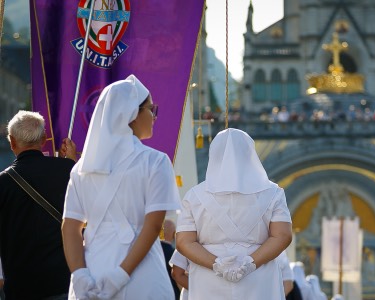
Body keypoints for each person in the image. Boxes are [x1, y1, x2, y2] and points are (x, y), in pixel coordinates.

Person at [62, 75, 181, 299]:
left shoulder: (80, 169)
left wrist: (79, 276)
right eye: (151, 109)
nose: (154, 115)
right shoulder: (155, 161)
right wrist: (120, 275)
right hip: (143, 274)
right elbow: (153, 226)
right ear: (132, 115)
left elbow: (70, 228)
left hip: (92, 272)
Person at [176, 128, 293, 300]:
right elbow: (282, 236)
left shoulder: (194, 195)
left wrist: (217, 264)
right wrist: (250, 264)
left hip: (209, 278)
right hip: (259, 277)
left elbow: (184, 241)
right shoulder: (273, 193)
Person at [0, 110, 77, 299]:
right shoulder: (69, 170)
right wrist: (71, 165)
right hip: (64, 283)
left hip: (21, 286)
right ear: (43, 139)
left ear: (12, 141)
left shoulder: (3, 182)